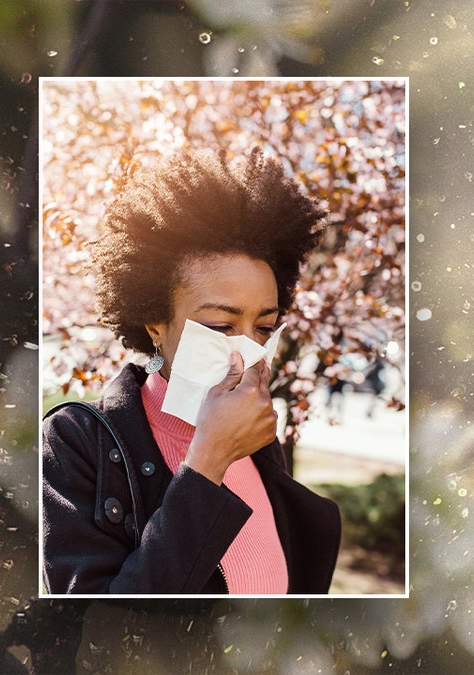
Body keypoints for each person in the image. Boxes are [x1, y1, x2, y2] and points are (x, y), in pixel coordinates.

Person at [41, 148, 342, 594]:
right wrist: (208, 461)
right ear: (155, 325)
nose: (248, 348)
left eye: (264, 326)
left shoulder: (257, 440)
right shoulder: (75, 443)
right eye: (221, 325)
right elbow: (101, 635)